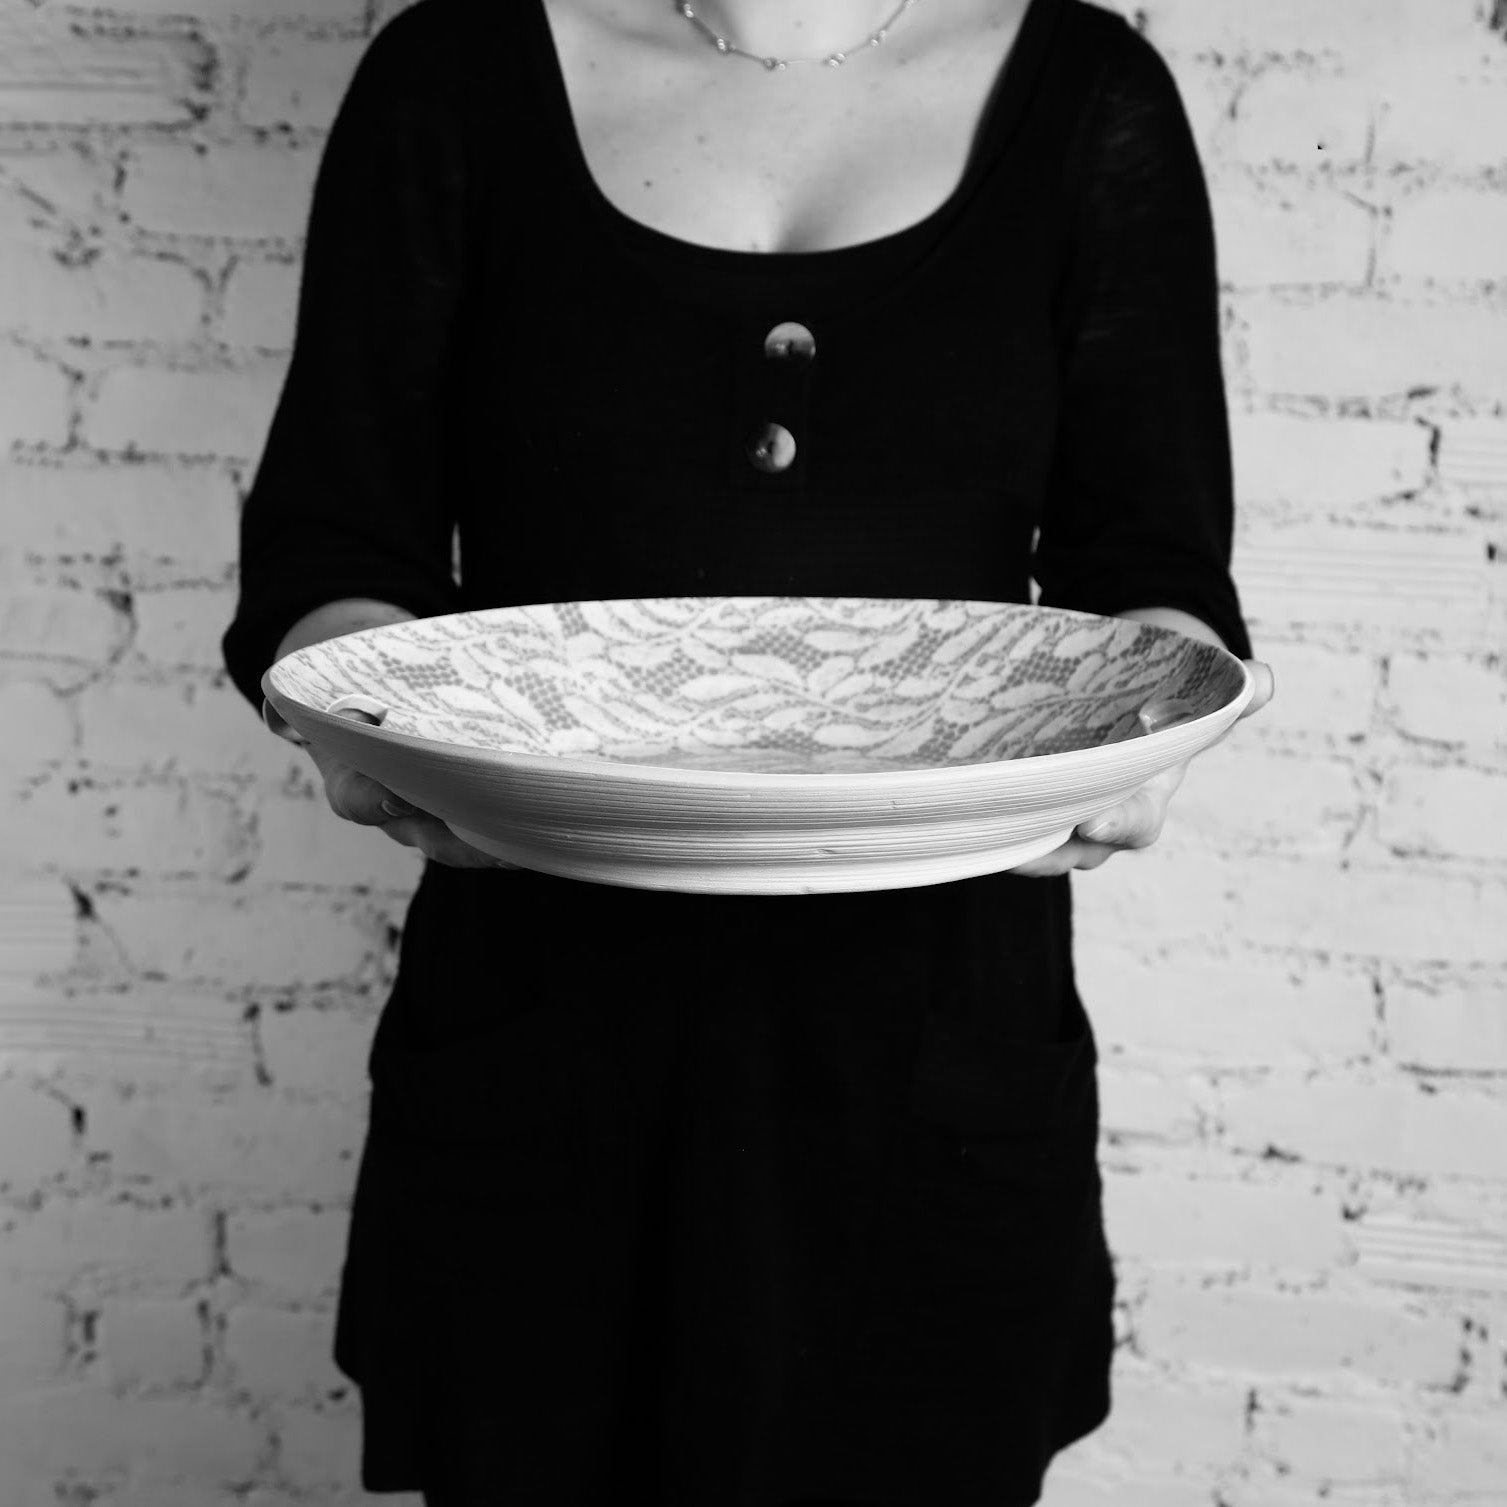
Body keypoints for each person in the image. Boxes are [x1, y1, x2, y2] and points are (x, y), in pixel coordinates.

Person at [221, 0, 1275, 1502]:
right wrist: (363, 728)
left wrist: (1148, 733)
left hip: (935, 1053)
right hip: (543, 1039)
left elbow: (1152, 562)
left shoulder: (1092, 94)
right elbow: (334, 539)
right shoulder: (451, 72)